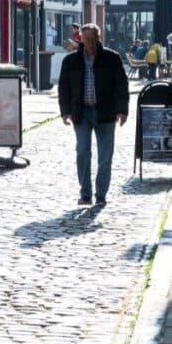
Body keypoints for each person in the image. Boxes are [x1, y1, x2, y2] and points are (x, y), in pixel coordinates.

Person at [58, 24, 130, 207]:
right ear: (80, 39)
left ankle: (100, 195)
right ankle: (85, 194)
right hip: (81, 113)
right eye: (86, 39)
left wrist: (122, 110)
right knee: (82, 152)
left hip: (105, 113)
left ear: (99, 38)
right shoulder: (71, 61)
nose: (90, 43)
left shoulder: (111, 58)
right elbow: (63, 88)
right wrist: (65, 112)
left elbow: (121, 85)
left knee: (105, 158)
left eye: (93, 39)